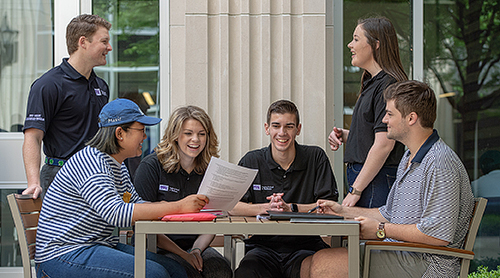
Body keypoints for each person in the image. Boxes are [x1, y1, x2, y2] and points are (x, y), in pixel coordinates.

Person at [302, 80, 475, 278]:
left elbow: (437, 235)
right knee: (308, 262)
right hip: (402, 254)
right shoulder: (409, 157)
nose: (384, 120)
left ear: (411, 118)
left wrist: (381, 231)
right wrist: (343, 211)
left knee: (323, 264)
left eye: (390, 114)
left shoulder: (439, 162)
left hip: (427, 264)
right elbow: (388, 213)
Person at [35, 98, 210, 278]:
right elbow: (117, 214)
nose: (145, 137)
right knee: (154, 274)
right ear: (120, 133)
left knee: (176, 270)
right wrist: (179, 206)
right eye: (141, 131)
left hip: (97, 245)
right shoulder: (92, 163)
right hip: (64, 254)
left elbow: (138, 203)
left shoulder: (117, 166)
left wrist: (181, 212)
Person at [230, 99, 339, 278]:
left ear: (298, 129)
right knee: (245, 273)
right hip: (261, 249)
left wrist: (291, 209)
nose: (282, 132)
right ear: (267, 128)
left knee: (320, 270)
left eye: (289, 126)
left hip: (305, 247)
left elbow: (330, 206)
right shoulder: (251, 161)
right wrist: (267, 208)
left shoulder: (315, 157)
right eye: (276, 126)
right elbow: (231, 206)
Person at [134, 105, 232, 278]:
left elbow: (213, 219)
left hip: (196, 244)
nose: (195, 139)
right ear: (175, 135)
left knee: (220, 271)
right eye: (188, 133)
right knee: (185, 272)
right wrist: (183, 254)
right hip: (157, 246)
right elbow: (142, 224)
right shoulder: (151, 167)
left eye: (202, 134)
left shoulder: (211, 170)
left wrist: (196, 250)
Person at [22, 14, 112, 199]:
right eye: (104, 41)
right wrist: (33, 183)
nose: (109, 48)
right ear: (83, 42)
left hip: (96, 176)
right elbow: (33, 137)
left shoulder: (101, 86)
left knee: (101, 229)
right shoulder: (48, 85)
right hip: (60, 176)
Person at [328, 16, 408, 208]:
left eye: (356, 39)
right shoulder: (373, 83)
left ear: (376, 44)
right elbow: (376, 135)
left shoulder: (388, 85)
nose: (350, 45)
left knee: (368, 238)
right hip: (369, 179)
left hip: (375, 180)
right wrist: (348, 135)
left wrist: (355, 190)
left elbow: (384, 145)